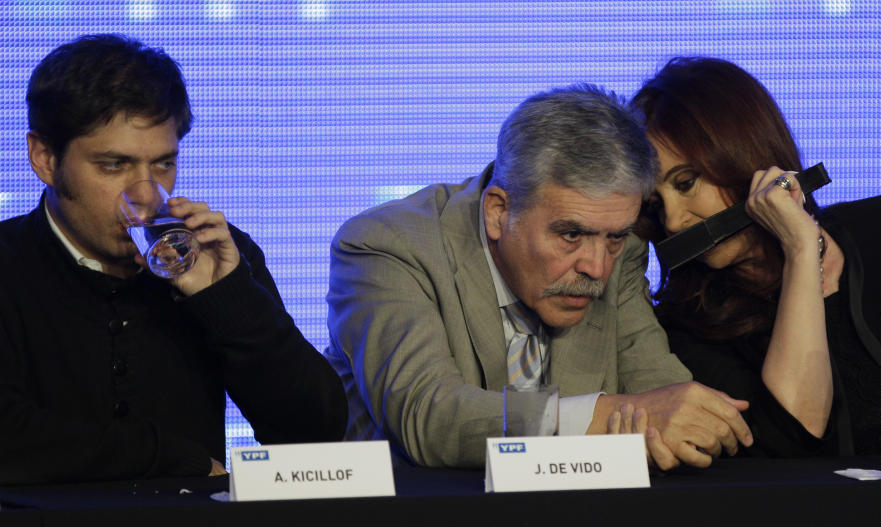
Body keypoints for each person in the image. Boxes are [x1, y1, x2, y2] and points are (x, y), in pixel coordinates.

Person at [326, 84, 754, 470]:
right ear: (498, 212)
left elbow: (661, 392)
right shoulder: (387, 246)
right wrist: (601, 416)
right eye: (570, 234)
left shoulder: (621, 255)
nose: (597, 268)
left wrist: (689, 421)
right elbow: (429, 418)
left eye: (615, 237)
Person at [0, 34, 347, 485]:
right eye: (113, 165)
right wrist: (163, 457)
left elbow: (314, 436)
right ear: (45, 159)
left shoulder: (215, 253)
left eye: (164, 164)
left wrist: (227, 299)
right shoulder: (10, 265)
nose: (145, 195)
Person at [630, 56, 881, 457]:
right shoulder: (689, 327)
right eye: (654, 206)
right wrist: (800, 250)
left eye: (685, 182)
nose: (674, 220)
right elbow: (796, 437)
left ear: (741, 150)